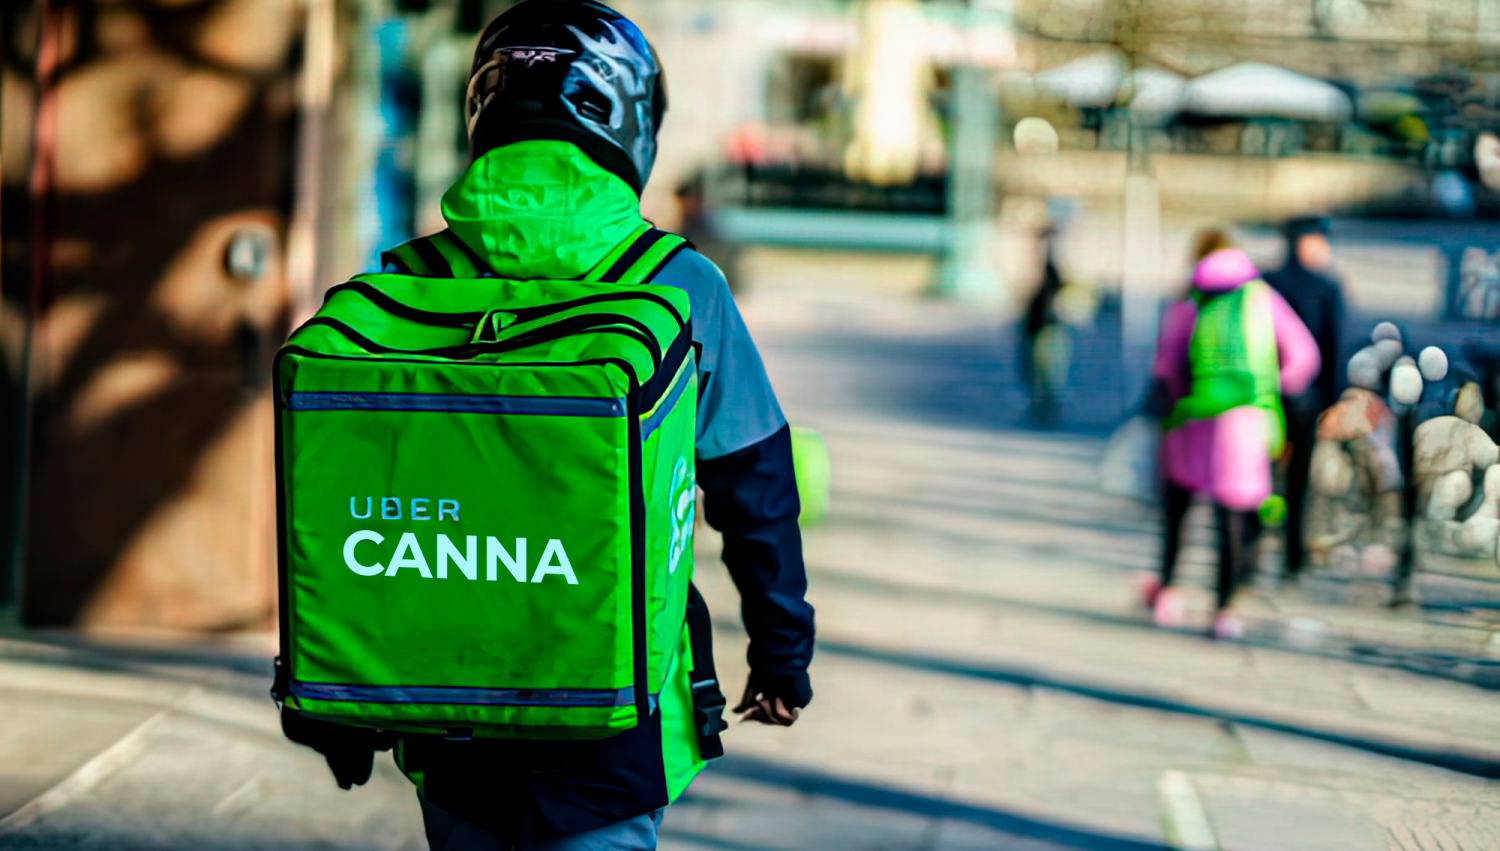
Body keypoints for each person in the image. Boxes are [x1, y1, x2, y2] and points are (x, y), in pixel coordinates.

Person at [282, 3, 815, 848]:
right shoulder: (679, 283)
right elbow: (754, 485)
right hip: (613, 725)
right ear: (631, 122)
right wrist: (781, 649)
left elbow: (341, 497)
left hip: (442, 709)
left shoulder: (410, 280)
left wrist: (336, 690)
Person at [1148, 245, 1320, 637]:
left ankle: (1169, 592)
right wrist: (1268, 389)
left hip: (1191, 419)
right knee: (1232, 519)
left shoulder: (1190, 304)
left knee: (1179, 513)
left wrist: (1180, 402)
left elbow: (1165, 363)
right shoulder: (1262, 301)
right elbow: (1304, 356)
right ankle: (1223, 610)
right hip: (1244, 424)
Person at [1262, 215, 1347, 580]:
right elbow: (1335, 347)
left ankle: (1250, 547)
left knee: (1261, 476)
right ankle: (1292, 559)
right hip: (1308, 400)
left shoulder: (1267, 283)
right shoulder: (1327, 287)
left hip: (1264, 396)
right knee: (1299, 483)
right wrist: (1333, 401)